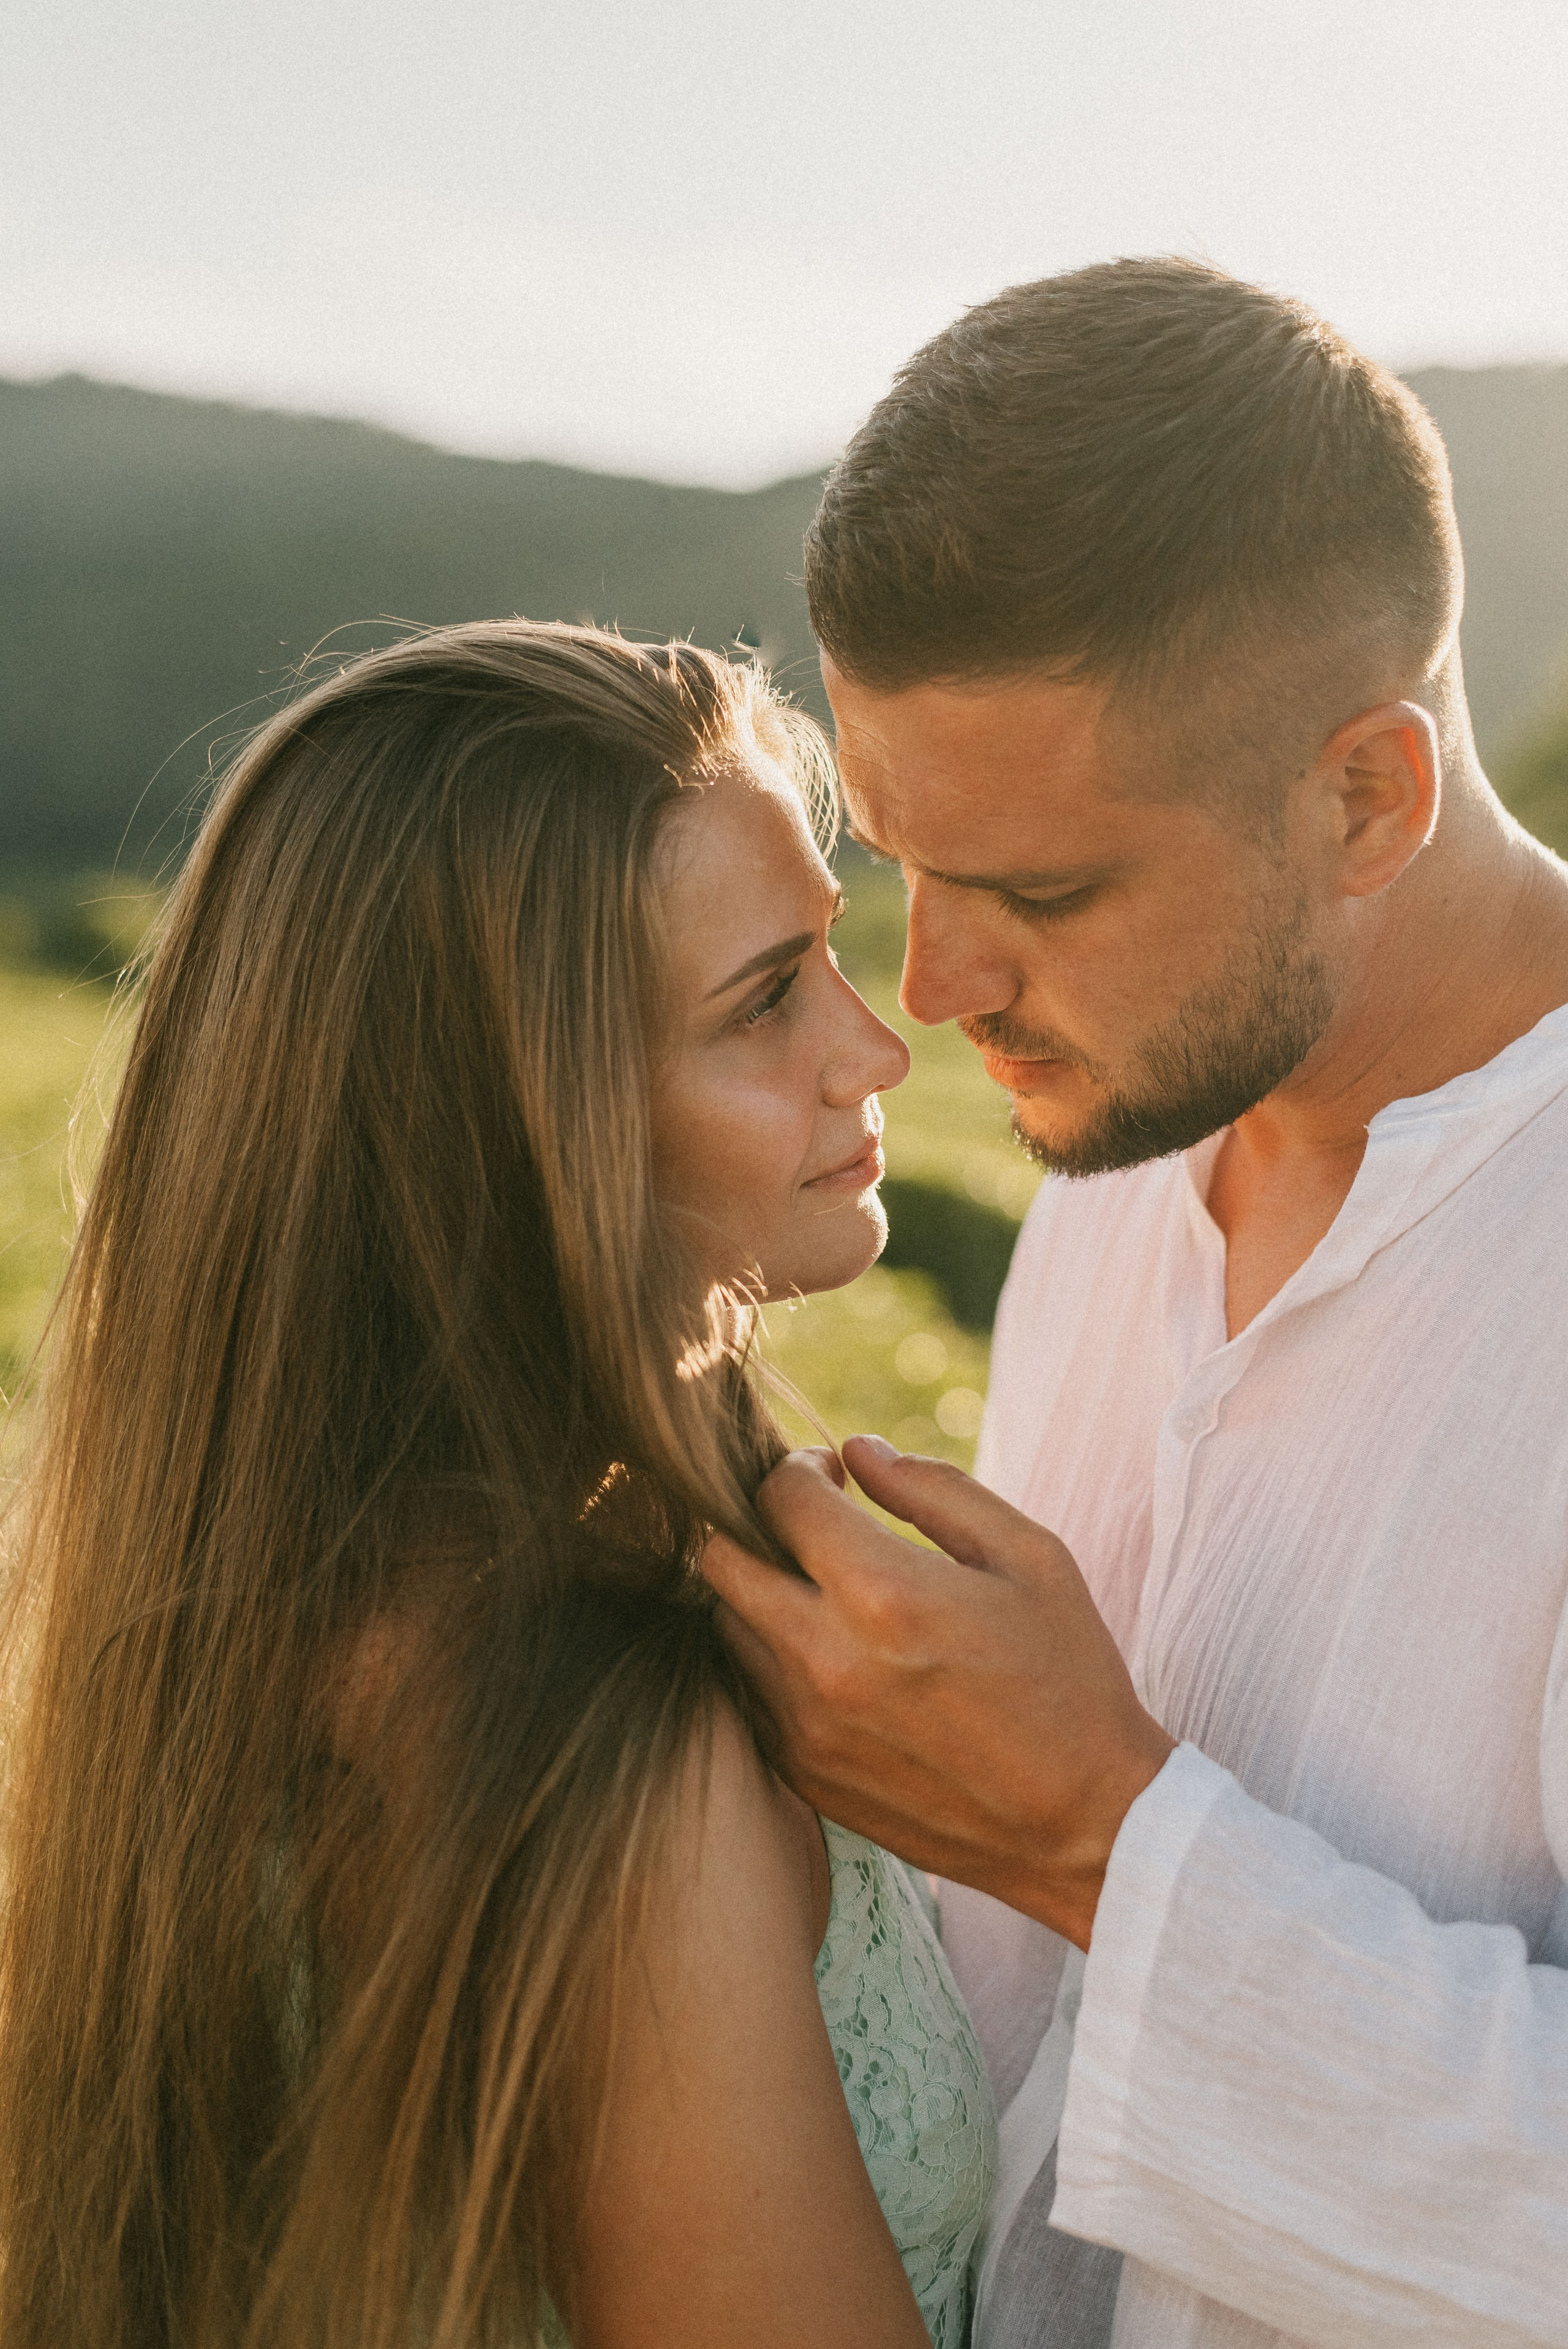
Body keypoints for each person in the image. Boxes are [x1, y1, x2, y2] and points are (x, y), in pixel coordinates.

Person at [704, 258, 1568, 2346]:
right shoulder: (1129, 1132)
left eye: (1047, 892)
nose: (931, 993)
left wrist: (1099, 1837)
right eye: (909, 863)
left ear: (1366, 793)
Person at [0, 621, 997, 2349]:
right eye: (764, 999)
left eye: (834, 953)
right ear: (517, 1114)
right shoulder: (610, 1753)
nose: (875, 1050)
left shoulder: (179, 1647)